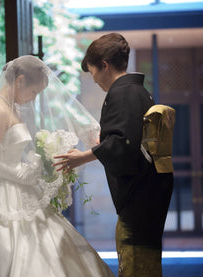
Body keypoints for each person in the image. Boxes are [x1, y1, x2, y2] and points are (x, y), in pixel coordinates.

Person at [0, 55, 114, 277]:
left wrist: (38, 165)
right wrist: (24, 174)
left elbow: (10, 150)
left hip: (18, 185)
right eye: (34, 92)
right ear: (19, 81)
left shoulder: (13, 108)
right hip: (0, 190)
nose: (33, 99)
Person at [54, 33, 173, 276]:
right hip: (150, 190)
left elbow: (123, 144)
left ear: (105, 65)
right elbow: (127, 138)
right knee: (145, 262)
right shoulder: (139, 91)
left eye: (93, 71)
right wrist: (105, 142)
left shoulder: (122, 93)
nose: (94, 79)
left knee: (134, 262)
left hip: (139, 195)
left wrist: (83, 156)